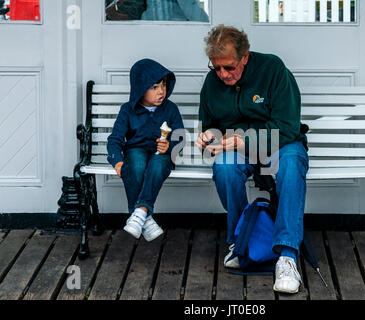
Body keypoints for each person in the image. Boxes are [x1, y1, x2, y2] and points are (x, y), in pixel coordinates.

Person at [196, 25, 309, 294]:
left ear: (245, 57)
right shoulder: (212, 82)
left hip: (281, 143)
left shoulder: (273, 70)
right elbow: (210, 125)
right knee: (224, 167)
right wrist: (208, 137)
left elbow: (288, 126)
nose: (223, 74)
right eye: (217, 68)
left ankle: (287, 255)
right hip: (236, 146)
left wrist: (246, 140)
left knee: (291, 167)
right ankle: (241, 239)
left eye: (229, 67)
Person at [107, 59, 184, 241]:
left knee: (157, 165)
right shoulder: (127, 110)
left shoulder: (170, 109)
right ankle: (146, 218)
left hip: (161, 155)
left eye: (163, 85)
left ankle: (139, 211)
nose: (161, 91)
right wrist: (117, 160)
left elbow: (180, 137)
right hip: (136, 151)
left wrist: (169, 146)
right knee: (136, 164)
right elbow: (115, 139)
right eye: (155, 87)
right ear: (141, 88)